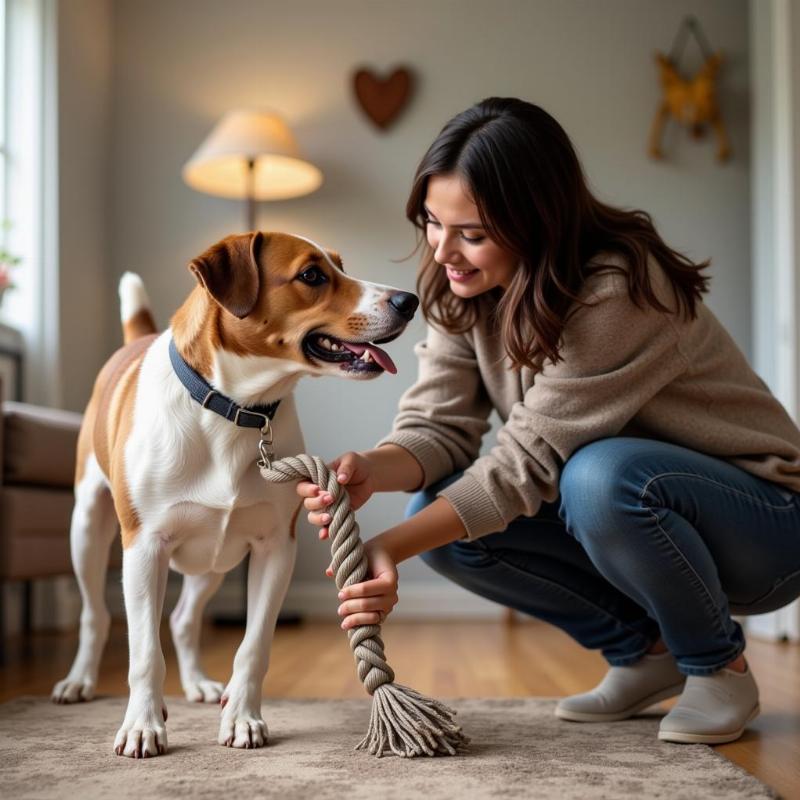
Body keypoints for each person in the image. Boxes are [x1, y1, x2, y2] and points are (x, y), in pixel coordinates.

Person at [297, 97, 800, 745]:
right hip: (646, 515)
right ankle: (648, 655)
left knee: (598, 475)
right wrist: (371, 467)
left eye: (471, 234)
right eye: (431, 221)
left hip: (768, 528)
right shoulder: (463, 286)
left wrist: (390, 546)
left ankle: (718, 668)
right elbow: (439, 429)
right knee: (441, 515)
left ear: (537, 220)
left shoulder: (619, 287)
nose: (444, 251)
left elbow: (525, 464)